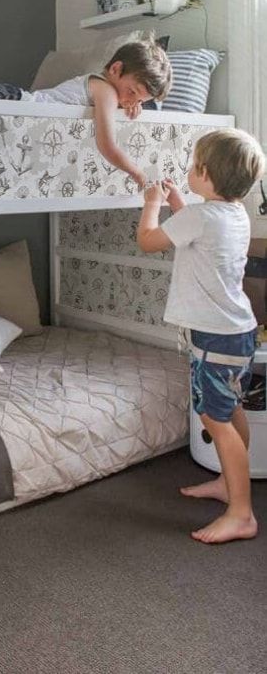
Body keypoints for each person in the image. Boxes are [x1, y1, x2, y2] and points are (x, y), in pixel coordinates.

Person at [137, 128, 265, 544]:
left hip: (215, 339)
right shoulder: (233, 214)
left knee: (215, 418)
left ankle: (242, 514)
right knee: (231, 412)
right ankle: (232, 486)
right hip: (237, 334)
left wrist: (153, 204)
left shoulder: (200, 217)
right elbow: (197, 236)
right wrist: (178, 202)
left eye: (195, 166)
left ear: (207, 174)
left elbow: (148, 240)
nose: (190, 171)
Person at [21, 37, 171, 188]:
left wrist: (129, 103)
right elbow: (107, 145)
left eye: (140, 101)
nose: (131, 103)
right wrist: (136, 172)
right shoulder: (106, 92)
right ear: (115, 69)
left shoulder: (104, 89)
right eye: (132, 92)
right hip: (15, 99)